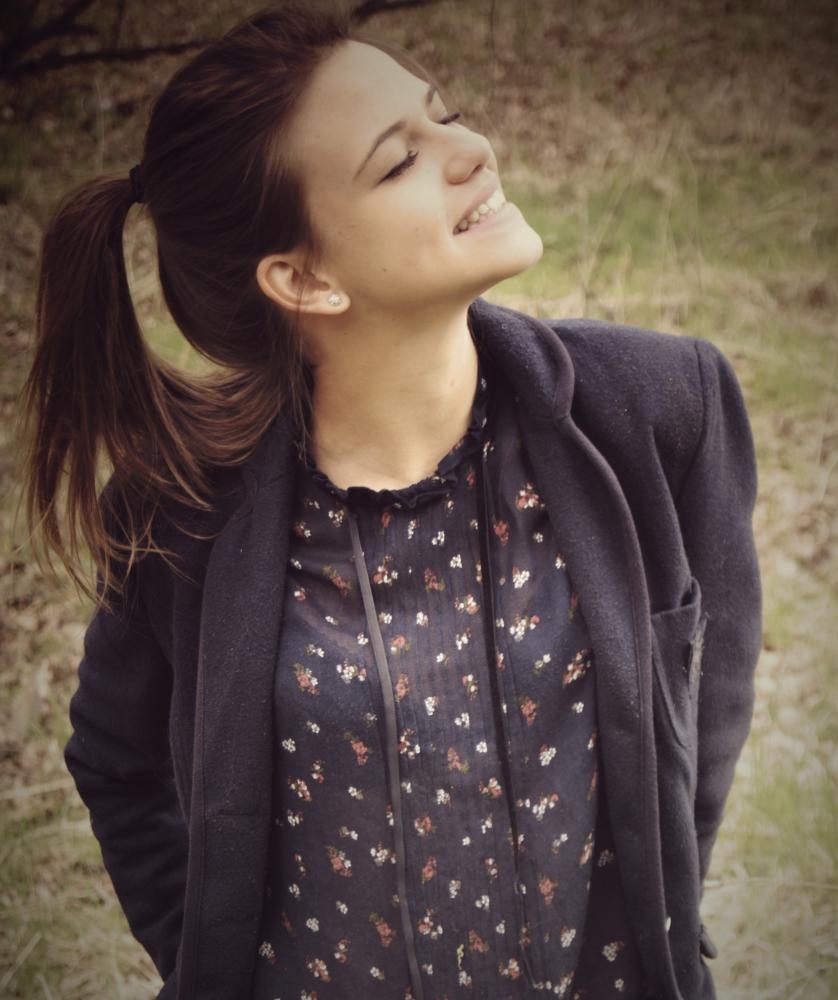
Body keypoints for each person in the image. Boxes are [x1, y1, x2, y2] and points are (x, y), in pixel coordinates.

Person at [22, 4, 762, 999]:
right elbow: (116, 762)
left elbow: (707, 696)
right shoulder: (180, 511)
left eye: (443, 113)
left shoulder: (660, 409)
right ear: (303, 276)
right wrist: (210, 963)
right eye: (400, 159)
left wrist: (660, 906)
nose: (472, 150)